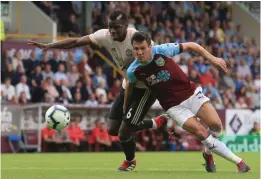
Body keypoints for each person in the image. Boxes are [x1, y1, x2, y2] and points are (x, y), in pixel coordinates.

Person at [27, 9, 169, 171]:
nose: (112, 31)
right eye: (110, 26)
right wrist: (50, 46)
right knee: (112, 129)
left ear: (126, 26)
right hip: (127, 84)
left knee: (124, 132)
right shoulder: (105, 36)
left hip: (145, 89)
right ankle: (156, 123)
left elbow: (160, 58)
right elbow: (76, 42)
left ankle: (130, 161)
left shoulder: (137, 38)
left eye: (116, 27)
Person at [125, 31, 250, 173]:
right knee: (202, 134)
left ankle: (207, 154)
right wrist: (125, 106)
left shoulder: (161, 51)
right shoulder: (133, 70)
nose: (139, 52)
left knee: (216, 126)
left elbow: (192, 45)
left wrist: (212, 58)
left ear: (149, 46)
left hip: (191, 94)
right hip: (173, 107)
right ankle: (240, 163)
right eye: (136, 49)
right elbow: (129, 86)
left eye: (142, 48)